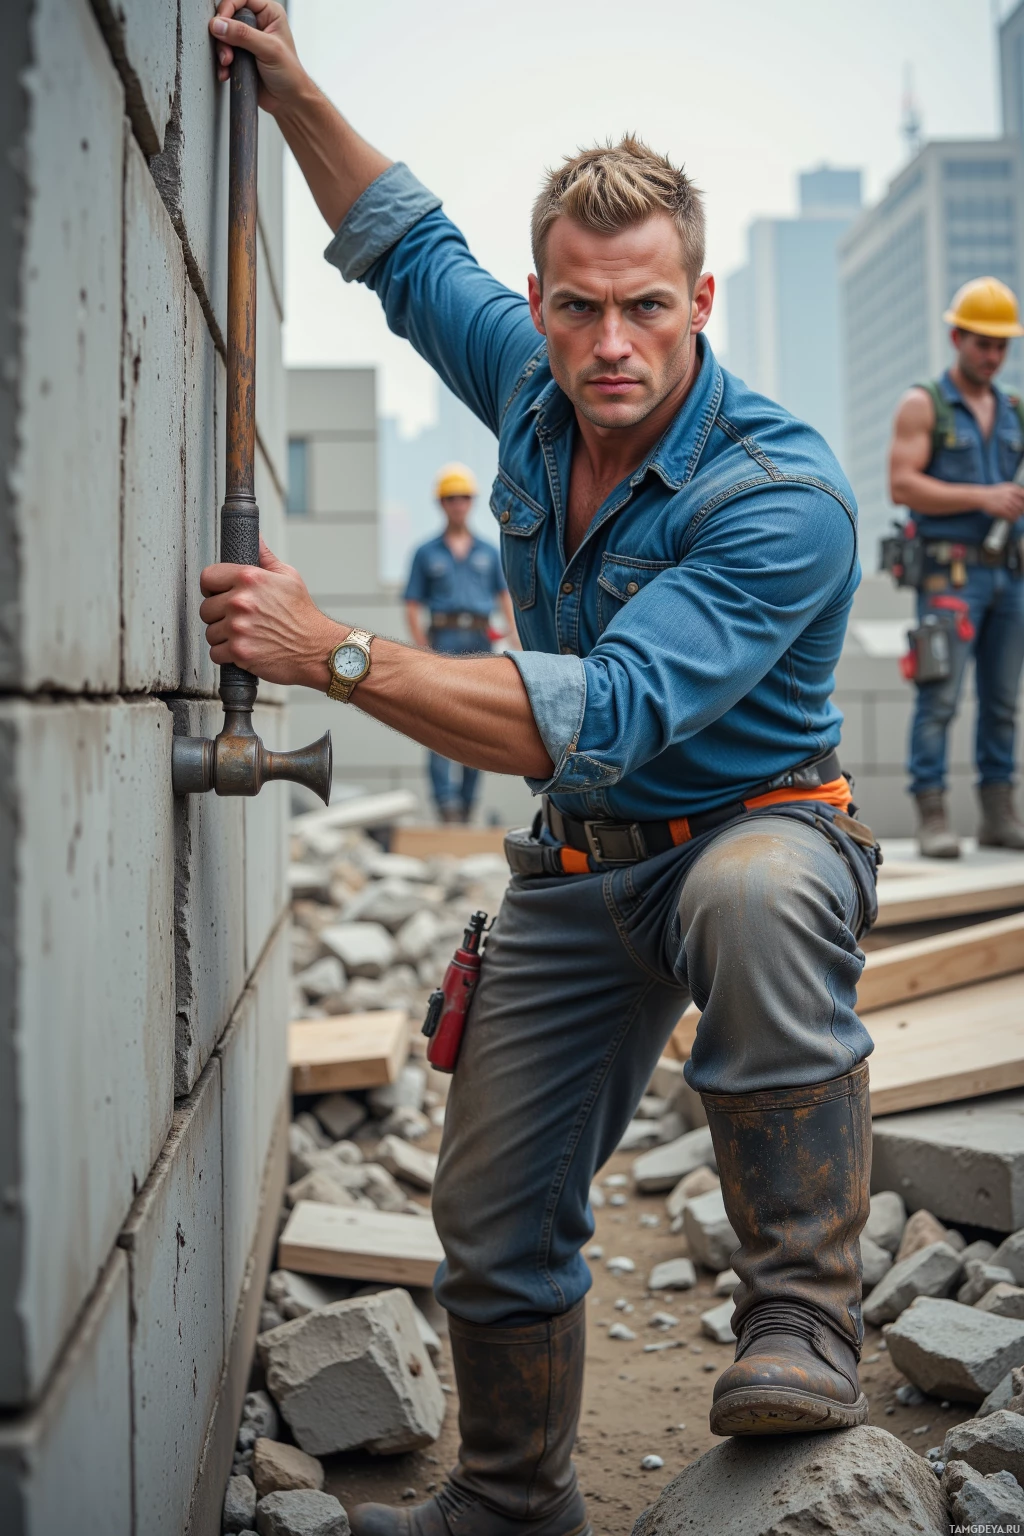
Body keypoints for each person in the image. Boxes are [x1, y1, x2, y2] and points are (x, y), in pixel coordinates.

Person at [203, 7, 880, 1533]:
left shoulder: (781, 495)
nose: (612, 346)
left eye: (646, 306)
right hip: (583, 863)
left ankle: (802, 1319)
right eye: (578, 309)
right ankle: (512, 1505)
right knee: (489, 1213)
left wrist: (337, 656)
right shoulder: (532, 382)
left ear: (701, 296)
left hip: (752, 828)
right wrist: (295, 87)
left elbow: (614, 707)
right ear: (543, 301)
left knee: (765, 895)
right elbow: (402, 243)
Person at [889, 276, 1024, 859]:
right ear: (956, 338)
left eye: (1001, 346)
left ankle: (999, 814)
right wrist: (983, 496)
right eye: (981, 343)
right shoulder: (925, 404)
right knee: (939, 699)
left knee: (1001, 701)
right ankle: (933, 815)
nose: (992, 356)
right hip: (951, 578)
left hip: (1009, 576)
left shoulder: (1015, 409)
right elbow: (902, 484)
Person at [404, 463, 517, 823]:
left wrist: (515, 638)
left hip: (480, 640)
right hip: (444, 639)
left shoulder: (488, 551)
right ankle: (446, 806)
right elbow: (411, 604)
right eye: (451, 498)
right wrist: (422, 647)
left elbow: (505, 597)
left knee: (477, 724)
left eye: (464, 498)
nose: (458, 504)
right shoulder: (426, 553)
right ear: (442, 503)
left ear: (471, 503)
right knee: (436, 720)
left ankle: (467, 806)